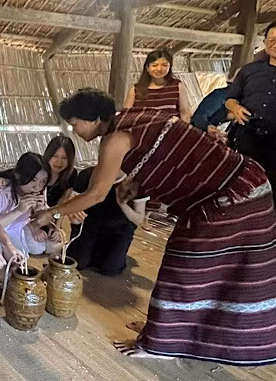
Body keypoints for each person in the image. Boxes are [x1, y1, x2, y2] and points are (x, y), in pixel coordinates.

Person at [34, 88, 276, 365]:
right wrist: (132, 183)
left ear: (94, 119)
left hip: (232, 196)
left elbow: (96, 194)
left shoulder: (115, 138)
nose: (74, 130)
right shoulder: (133, 119)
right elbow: (160, 158)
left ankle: (161, 344)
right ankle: (165, 330)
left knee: (187, 267)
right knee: (211, 270)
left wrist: (49, 215)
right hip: (245, 183)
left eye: (75, 123)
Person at [0, 153, 62, 258]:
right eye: (33, 180)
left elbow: (51, 212)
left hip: (14, 229)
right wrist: (18, 211)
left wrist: (54, 225)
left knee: (40, 249)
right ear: (18, 175)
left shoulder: (40, 192)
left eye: (43, 181)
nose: (37, 187)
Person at [225, 21, 276, 201]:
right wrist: (235, 108)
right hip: (248, 137)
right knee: (244, 185)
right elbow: (230, 99)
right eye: (271, 40)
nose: (274, 45)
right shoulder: (249, 70)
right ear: (264, 43)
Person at [67, 167, 148, 276]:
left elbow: (138, 218)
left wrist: (122, 203)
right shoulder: (87, 174)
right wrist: (74, 215)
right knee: (77, 263)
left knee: (110, 269)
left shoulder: (137, 181)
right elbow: (73, 204)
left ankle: (115, 252)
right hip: (90, 224)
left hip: (119, 230)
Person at [124, 49, 191, 122]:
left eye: (164, 65)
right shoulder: (135, 90)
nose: (159, 69)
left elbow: (185, 114)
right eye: (155, 65)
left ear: (170, 67)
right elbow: (126, 116)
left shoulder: (177, 86)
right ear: (147, 68)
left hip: (171, 131)